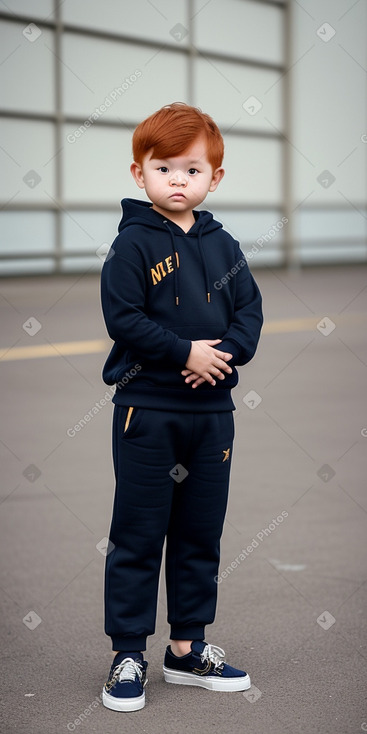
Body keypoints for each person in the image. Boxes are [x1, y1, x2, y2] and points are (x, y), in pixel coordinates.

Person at [100, 102, 263, 712]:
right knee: (139, 534)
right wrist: (184, 354)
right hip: (148, 410)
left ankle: (187, 648)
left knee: (199, 533)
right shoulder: (132, 245)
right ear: (139, 172)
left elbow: (250, 310)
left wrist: (224, 357)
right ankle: (127, 655)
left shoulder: (225, 246)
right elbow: (124, 318)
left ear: (212, 179)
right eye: (162, 167)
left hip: (211, 417)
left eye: (191, 170)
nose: (176, 179)